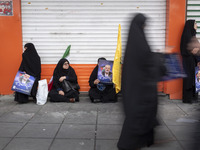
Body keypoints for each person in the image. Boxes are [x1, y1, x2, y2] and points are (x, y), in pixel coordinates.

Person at [117, 14, 165, 150]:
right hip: (141, 90)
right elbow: (148, 62)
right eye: (143, 25)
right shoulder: (140, 43)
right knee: (138, 117)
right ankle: (126, 145)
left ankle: (146, 140)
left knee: (142, 115)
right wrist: (160, 57)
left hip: (135, 90)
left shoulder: (134, 43)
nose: (145, 28)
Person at [180, 20, 198, 103]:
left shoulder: (191, 34)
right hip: (188, 61)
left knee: (192, 79)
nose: (197, 25)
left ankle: (191, 97)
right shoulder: (188, 36)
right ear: (191, 25)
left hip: (191, 60)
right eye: (195, 23)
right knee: (189, 79)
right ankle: (187, 98)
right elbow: (190, 50)